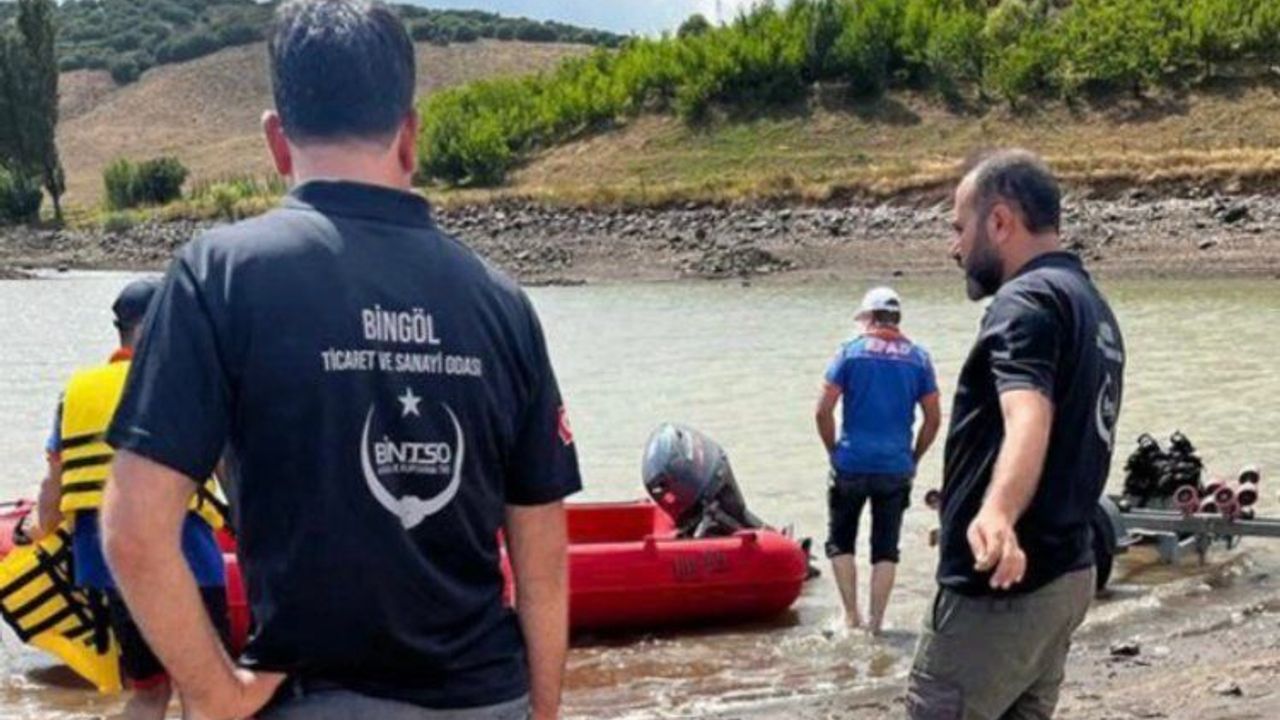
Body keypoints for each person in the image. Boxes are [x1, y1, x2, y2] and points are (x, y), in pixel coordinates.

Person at [100, 1, 582, 718]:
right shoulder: (501, 301)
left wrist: (216, 692)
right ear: (410, 136)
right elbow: (543, 565)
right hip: (489, 698)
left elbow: (134, 532)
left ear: (276, 139)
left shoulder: (219, 276)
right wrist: (539, 712)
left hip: (316, 699)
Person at [906, 149, 1126, 720]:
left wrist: (998, 511)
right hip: (1066, 573)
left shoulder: (1024, 301)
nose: (955, 247)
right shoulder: (1091, 306)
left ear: (1000, 222)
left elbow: (1028, 413)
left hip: (1001, 588)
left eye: (959, 228)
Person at [27, 277, 230, 719]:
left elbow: (52, 494)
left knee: (149, 693)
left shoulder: (77, 392)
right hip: (186, 560)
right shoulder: (189, 383)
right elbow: (228, 473)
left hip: (112, 566)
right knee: (207, 693)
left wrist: (35, 531)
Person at [816, 286, 941, 634]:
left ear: (869, 318)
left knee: (841, 541)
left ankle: (851, 617)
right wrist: (914, 457)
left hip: (851, 462)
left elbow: (822, 411)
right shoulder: (919, 359)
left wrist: (833, 451)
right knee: (885, 548)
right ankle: (876, 624)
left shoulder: (849, 353)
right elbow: (933, 419)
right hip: (895, 467)